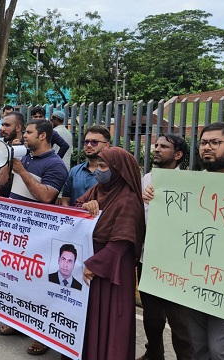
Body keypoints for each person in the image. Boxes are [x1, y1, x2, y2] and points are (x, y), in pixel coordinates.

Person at [144, 123, 224, 359]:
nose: (207, 148)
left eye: (215, 143)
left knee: (221, 350)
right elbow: (175, 225)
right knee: (197, 346)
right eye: (204, 142)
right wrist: (154, 198)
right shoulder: (191, 181)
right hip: (193, 273)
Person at [0, 119, 68, 355]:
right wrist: (8, 162)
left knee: (39, 286)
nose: (24, 136)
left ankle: (42, 334)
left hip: (38, 234)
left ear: (44, 136)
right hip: (16, 230)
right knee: (17, 280)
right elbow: (3, 185)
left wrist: (23, 172)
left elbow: (46, 196)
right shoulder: (23, 157)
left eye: (29, 132)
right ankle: (19, 323)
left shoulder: (55, 165)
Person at [77, 147, 145, 360]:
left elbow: (121, 243)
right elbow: (75, 210)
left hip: (110, 267)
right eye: (98, 165)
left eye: (104, 166)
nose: (98, 170)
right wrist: (85, 206)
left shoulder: (129, 199)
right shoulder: (98, 189)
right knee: (89, 318)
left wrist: (94, 265)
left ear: (118, 170)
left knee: (109, 318)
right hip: (91, 262)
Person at [137, 134, 192, 360]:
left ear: (177, 155)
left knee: (180, 321)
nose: (157, 149)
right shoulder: (146, 179)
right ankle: (154, 353)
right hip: (147, 256)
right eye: (156, 145)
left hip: (176, 261)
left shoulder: (189, 182)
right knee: (152, 316)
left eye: (164, 147)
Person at [60, 125, 111, 206]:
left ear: (106, 145)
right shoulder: (74, 171)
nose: (89, 145)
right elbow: (65, 200)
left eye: (94, 142)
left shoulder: (112, 173)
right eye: (86, 142)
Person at [0, 111, 25, 197]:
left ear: (18, 127)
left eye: (7, 125)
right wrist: (11, 152)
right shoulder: (3, 145)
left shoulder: (28, 147)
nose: (2, 129)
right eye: (3, 125)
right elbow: (1, 181)